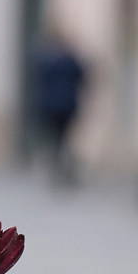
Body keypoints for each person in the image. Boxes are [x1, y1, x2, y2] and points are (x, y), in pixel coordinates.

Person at [29, 31, 89, 185]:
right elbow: (82, 78)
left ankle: (58, 166)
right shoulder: (68, 61)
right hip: (63, 107)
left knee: (58, 139)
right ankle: (60, 167)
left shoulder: (50, 61)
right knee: (62, 140)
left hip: (56, 107)